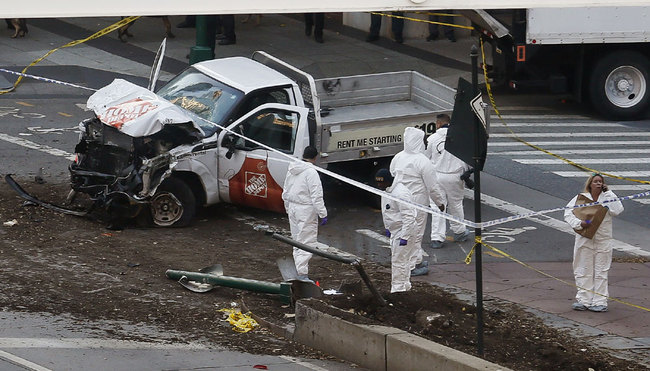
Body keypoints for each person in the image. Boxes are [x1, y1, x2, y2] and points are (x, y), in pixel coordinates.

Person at [563, 173, 623, 312]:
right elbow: (568, 213)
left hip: (603, 239)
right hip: (585, 238)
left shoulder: (607, 197)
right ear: (590, 183)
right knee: (583, 268)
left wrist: (609, 192)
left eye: (600, 181)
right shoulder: (581, 198)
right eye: (595, 181)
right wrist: (579, 224)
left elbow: (617, 210)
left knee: (601, 269)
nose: (598, 183)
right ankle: (584, 299)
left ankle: (600, 301)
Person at [390, 127, 445, 276]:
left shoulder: (398, 157)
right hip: (417, 202)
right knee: (416, 233)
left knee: (404, 231)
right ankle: (412, 265)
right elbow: (432, 186)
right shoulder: (423, 161)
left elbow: (392, 174)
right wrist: (439, 203)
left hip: (399, 200)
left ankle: (416, 259)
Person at [282, 146, 328, 279]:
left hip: (293, 207)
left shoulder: (292, 169)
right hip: (306, 210)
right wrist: (322, 213)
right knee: (306, 242)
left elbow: (285, 191)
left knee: (296, 240)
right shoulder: (311, 172)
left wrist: (287, 207)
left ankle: (298, 269)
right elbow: (316, 195)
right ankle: (302, 275)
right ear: (315, 158)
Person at [425, 114, 470, 249]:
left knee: (437, 206)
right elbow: (467, 157)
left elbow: (426, 158)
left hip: (437, 176)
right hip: (455, 176)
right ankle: (459, 231)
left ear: (438, 124)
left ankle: (437, 238)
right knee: (456, 204)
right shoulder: (460, 138)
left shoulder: (432, 139)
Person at [376, 169, 418, 292]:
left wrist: (404, 237)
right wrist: (388, 228)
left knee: (399, 261)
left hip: (404, 230)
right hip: (397, 230)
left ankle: (398, 290)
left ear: (388, 181)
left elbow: (408, 217)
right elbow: (388, 211)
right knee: (403, 260)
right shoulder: (387, 190)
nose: (379, 185)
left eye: (381, 183)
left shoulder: (400, 193)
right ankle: (405, 286)